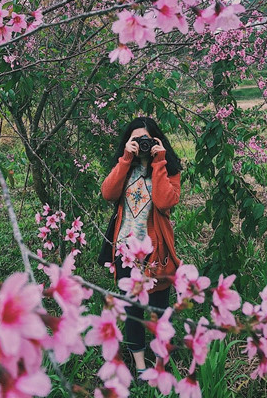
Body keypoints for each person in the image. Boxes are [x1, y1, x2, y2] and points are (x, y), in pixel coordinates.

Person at [101, 116, 182, 378]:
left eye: (145, 139)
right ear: (128, 142)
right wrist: (126, 158)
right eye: (135, 139)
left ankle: (160, 364)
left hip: (155, 254)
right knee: (133, 310)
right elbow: (108, 193)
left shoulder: (169, 170)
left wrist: (159, 161)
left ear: (156, 140)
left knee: (159, 311)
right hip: (125, 252)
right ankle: (139, 366)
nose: (141, 144)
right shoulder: (124, 167)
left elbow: (164, 202)